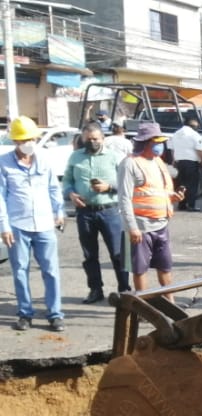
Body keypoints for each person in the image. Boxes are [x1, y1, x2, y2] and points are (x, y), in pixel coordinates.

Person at [0, 116, 65, 331]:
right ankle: (25, 313)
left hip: (45, 223)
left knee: (51, 270)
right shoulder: (4, 163)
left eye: (31, 138)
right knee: (20, 269)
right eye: (24, 139)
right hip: (18, 224)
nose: (28, 143)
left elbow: (54, 188)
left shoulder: (44, 161)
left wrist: (60, 211)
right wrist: (4, 226)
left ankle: (55, 314)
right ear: (16, 142)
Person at [118, 122, 184, 303]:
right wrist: (132, 228)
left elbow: (159, 191)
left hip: (161, 224)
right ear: (146, 142)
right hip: (140, 227)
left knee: (165, 267)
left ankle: (171, 302)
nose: (160, 145)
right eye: (157, 141)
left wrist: (173, 197)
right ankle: (144, 306)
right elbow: (124, 198)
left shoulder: (158, 162)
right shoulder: (130, 164)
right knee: (139, 269)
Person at [63, 122, 129, 304]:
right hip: (85, 212)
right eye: (88, 139)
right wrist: (70, 194)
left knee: (118, 253)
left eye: (95, 139)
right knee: (90, 255)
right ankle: (95, 289)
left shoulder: (115, 157)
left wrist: (109, 186)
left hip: (110, 210)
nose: (92, 142)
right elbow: (67, 180)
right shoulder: (75, 157)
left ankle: (125, 290)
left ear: (103, 139)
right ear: (83, 139)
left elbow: (127, 183)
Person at [170, 116, 202, 212]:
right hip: (191, 162)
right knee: (192, 185)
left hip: (179, 162)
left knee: (181, 184)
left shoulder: (176, 134)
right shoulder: (194, 134)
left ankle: (182, 204)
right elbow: (199, 150)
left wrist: (174, 160)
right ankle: (191, 205)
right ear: (193, 125)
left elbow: (172, 149)